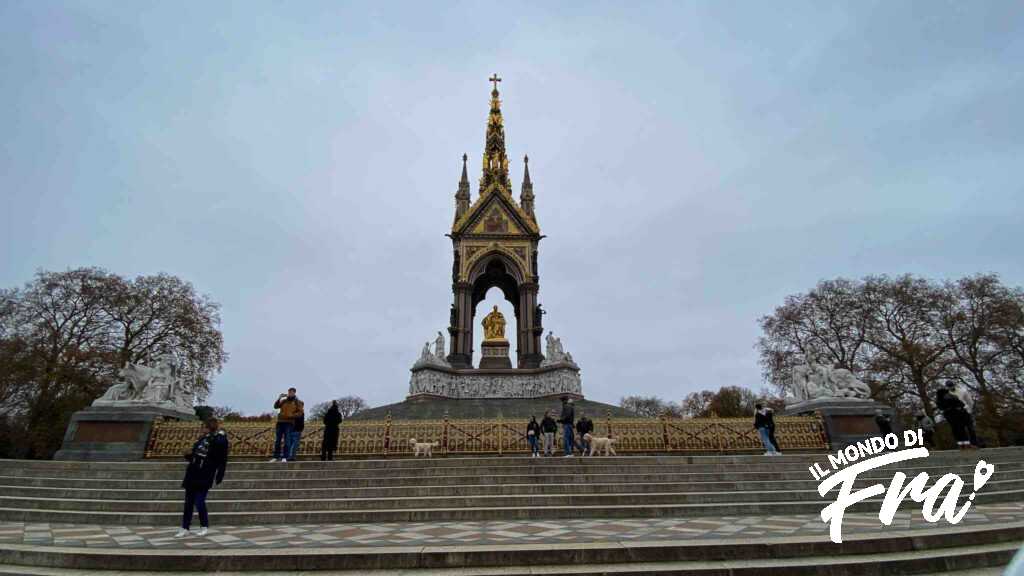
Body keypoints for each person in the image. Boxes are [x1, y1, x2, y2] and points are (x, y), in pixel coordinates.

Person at [176, 417, 229, 538]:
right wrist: (188, 455)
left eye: (203, 427)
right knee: (188, 502)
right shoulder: (201, 439)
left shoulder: (219, 440)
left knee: (199, 501)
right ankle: (185, 527)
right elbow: (196, 456)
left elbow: (222, 459)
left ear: (209, 428)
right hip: (193, 472)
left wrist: (220, 474)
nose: (201, 430)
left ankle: (204, 525)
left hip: (206, 473)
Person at [271, 388, 303, 462]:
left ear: (294, 393)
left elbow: (300, 412)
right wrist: (279, 398)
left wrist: (292, 415)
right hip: (280, 422)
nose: (290, 393)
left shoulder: (297, 402)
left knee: (287, 440)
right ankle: (276, 456)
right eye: (289, 392)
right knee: (277, 440)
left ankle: (285, 457)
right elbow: (276, 406)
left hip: (289, 423)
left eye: (292, 392)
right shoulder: (284, 401)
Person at [946, 382, 979, 447]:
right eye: (949, 387)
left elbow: (970, 401)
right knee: (960, 429)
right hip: (955, 414)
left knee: (970, 427)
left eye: (951, 386)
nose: (950, 388)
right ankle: (966, 444)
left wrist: (969, 410)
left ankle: (974, 443)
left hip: (965, 411)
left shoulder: (962, 391)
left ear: (954, 385)